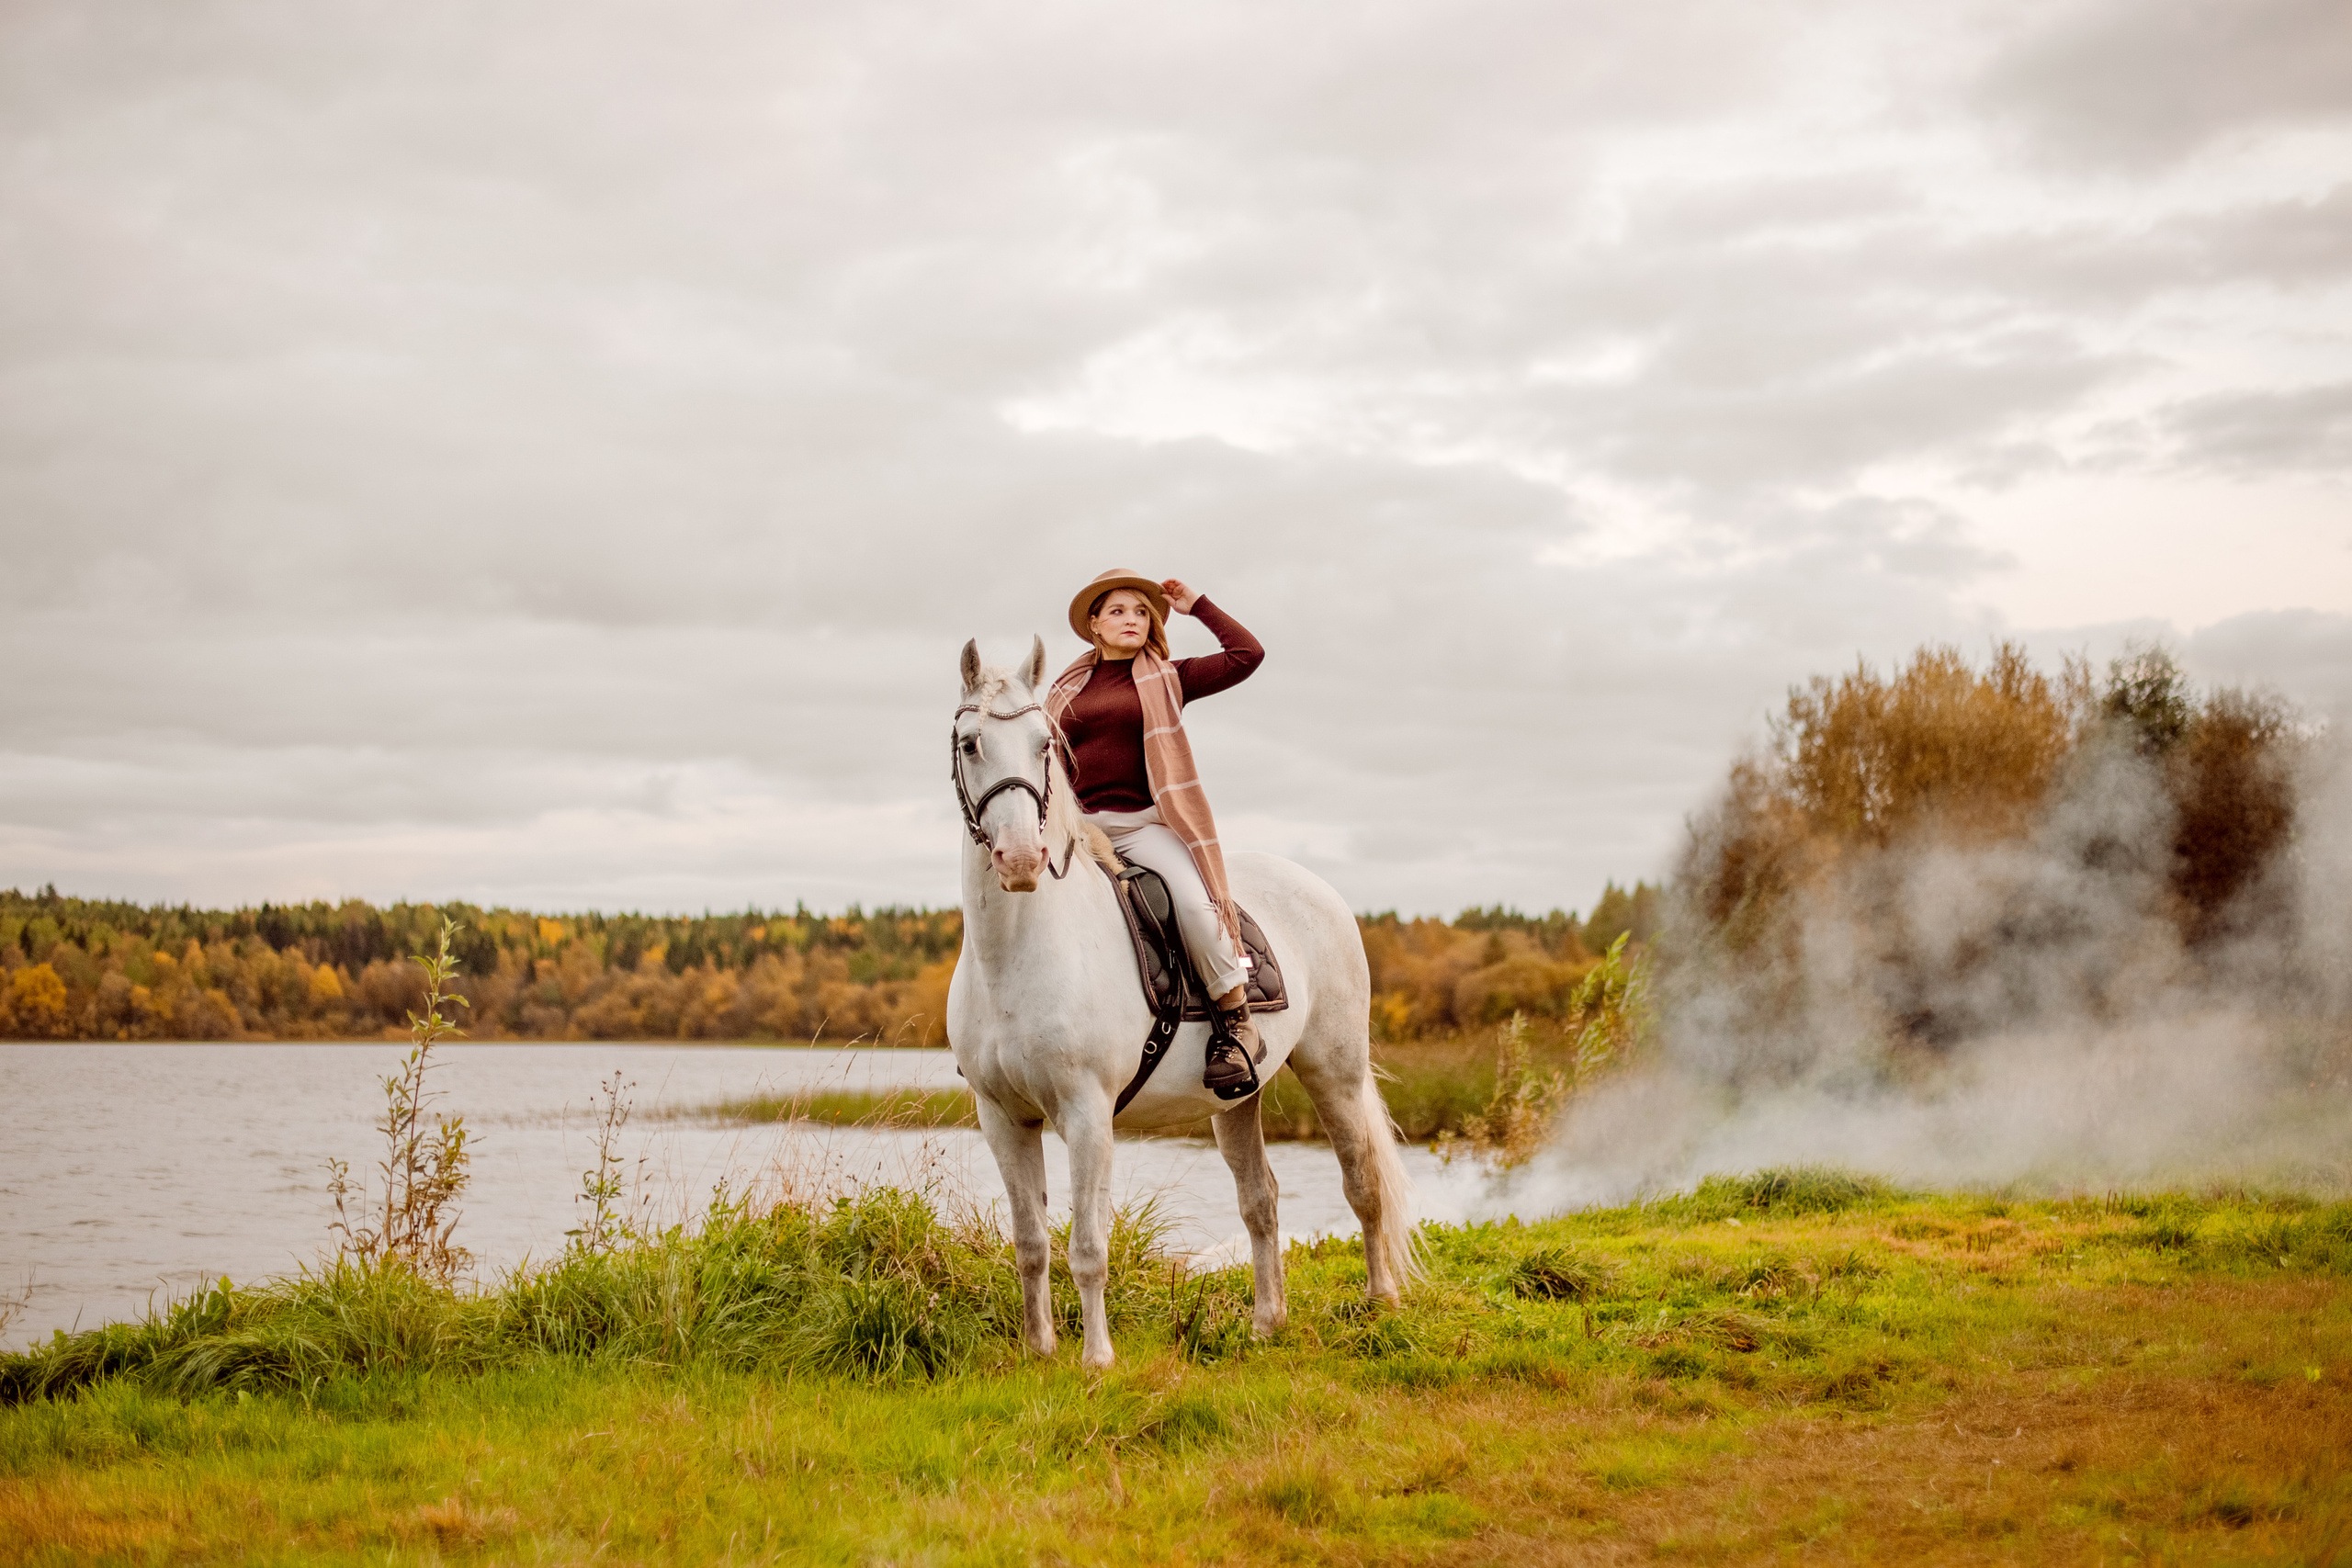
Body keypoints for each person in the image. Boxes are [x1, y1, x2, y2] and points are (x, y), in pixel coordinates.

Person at [1043, 568, 1265, 1091]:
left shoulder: (1171, 677)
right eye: (1118, 611)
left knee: (1191, 905)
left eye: (1142, 612)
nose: (1132, 620)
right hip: (1075, 830)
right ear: (1093, 624)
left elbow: (1247, 655)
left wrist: (1199, 605)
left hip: (1141, 826)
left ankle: (1236, 1020)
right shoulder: (1060, 689)